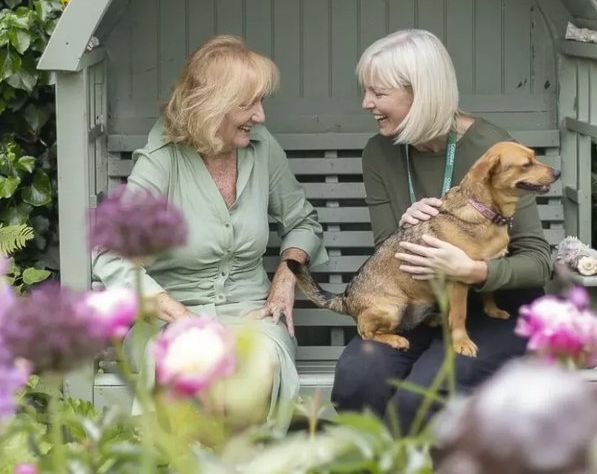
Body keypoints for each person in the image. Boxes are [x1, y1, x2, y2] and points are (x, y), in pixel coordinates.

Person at [93, 35, 328, 427]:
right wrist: (180, 316)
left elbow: (303, 222)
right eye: (248, 104)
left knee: (255, 369)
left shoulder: (262, 149)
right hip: (171, 319)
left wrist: (287, 275)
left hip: (253, 315)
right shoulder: (162, 160)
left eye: (261, 101)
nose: (261, 116)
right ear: (212, 105)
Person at [330, 29, 551, 435]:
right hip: (420, 304)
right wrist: (403, 225)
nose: (367, 104)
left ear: (420, 93)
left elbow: (538, 260)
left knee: (422, 395)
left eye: (377, 93)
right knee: (359, 378)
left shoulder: (492, 148)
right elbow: (386, 251)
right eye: (366, 92)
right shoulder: (379, 152)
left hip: (494, 306)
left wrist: (476, 272)